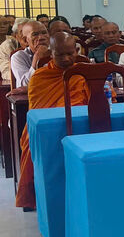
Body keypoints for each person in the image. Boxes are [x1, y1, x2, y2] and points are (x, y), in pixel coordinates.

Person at [15, 33, 90, 209]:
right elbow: (36, 114)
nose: (66, 59)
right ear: (51, 54)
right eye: (60, 54)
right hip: (47, 128)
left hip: (80, 124)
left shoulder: (85, 74)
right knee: (31, 141)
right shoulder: (40, 77)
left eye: (70, 53)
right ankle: (37, 197)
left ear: (76, 51)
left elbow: (103, 100)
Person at [10, 20, 49, 88]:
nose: (41, 37)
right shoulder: (18, 57)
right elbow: (24, 85)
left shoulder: (57, 52)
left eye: (44, 33)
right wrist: (36, 60)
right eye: (35, 34)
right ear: (25, 40)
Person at [0, 17, 27, 83]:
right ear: (15, 35)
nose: (26, 35)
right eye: (22, 32)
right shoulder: (7, 45)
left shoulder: (42, 44)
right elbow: (6, 73)